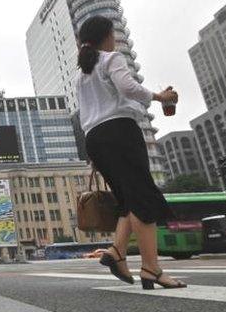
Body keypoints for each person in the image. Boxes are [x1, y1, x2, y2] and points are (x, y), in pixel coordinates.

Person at [75, 15, 187, 290]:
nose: (114, 38)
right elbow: (128, 87)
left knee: (127, 201)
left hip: (95, 139)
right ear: (106, 36)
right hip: (120, 132)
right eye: (112, 33)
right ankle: (151, 269)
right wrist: (161, 97)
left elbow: (86, 114)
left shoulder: (81, 75)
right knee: (143, 198)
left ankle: (116, 252)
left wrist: (95, 152)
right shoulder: (111, 58)